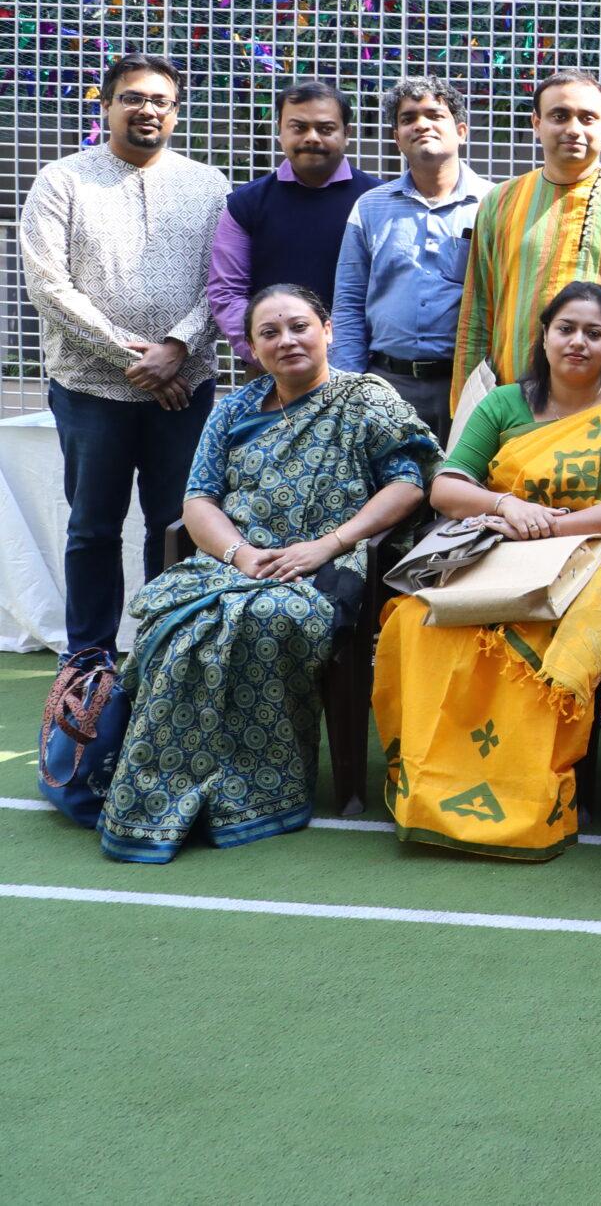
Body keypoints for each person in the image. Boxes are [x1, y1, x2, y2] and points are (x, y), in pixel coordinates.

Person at [97, 286, 435, 862]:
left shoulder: (367, 399)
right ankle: (179, 785)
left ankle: (251, 792)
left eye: (299, 326)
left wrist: (326, 545)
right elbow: (198, 502)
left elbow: (409, 484)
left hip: (329, 567)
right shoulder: (233, 410)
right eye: (269, 333)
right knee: (178, 626)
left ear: (327, 331)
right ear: (252, 349)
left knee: (263, 617)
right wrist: (242, 555)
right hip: (234, 563)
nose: (287, 341)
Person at [376, 281, 601, 859]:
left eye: (594, 333)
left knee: (526, 638)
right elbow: (447, 487)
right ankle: (430, 793)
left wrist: (552, 527)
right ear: (544, 336)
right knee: (419, 623)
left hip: (586, 560)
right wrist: (507, 506)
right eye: (566, 329)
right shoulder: (504, 403)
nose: (578, 342)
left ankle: (526, 801)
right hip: (499, 551)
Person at [20, 52, 228, 667]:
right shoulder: (62, 180)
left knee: (178, 524)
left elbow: (223, 282)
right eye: (133, 97)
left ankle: (166, 651)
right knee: (93, 526)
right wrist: (134, 360)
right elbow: (48, 285)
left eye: (160, 100)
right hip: (90, 390)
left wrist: (177, 349)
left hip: (185, 388)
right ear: (107, 105)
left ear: (176, 112)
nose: (147, 109)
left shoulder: (209, 185)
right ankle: (89, 659)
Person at [450, 68, 601, 420]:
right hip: (513, 409)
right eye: (559, 116)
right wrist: (466, 412)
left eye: (587, 118)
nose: (573, 128)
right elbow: (477, 312)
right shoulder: (499, 202)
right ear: (537, 123)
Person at [331, 76, 491, 443]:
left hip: (468, 386)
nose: (421, 124)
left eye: (434, 115)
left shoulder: (494, 205)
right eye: (408, 118)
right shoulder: (370, 207)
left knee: (459, 480)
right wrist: (349, 386)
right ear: (397, 137)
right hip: (385, 384)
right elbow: (349, 303)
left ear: (461, 131)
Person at [207, 80, 383, 366]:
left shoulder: (377, 202)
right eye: (299, 127)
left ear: (347, 133)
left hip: (362, 369)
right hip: (272, 369)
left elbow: (390, 292)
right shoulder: (246, 204)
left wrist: (349, 357)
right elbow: (227, 292)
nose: (312, 138)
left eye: (325, 128)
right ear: (280, 131)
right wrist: (268, 350)